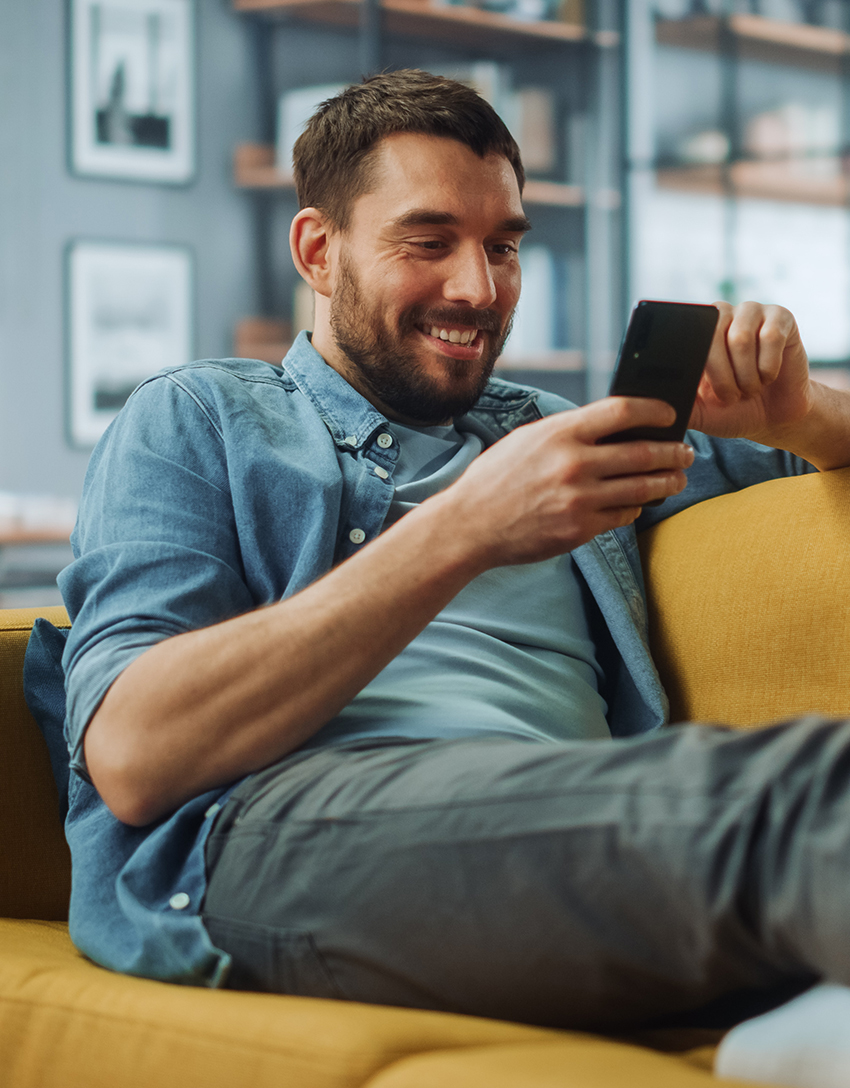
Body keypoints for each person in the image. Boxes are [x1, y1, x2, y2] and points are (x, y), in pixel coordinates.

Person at [59, 70, 850, 1029]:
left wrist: (803, 412)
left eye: (504, 247)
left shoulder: (566, 435)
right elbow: (136, 752)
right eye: (428, 242)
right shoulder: (200, 420)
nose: (478, 290)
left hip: (570, 820)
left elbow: (811, 454)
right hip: (283, 831)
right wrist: (469, 527)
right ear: (319, 248)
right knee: (806, 792)